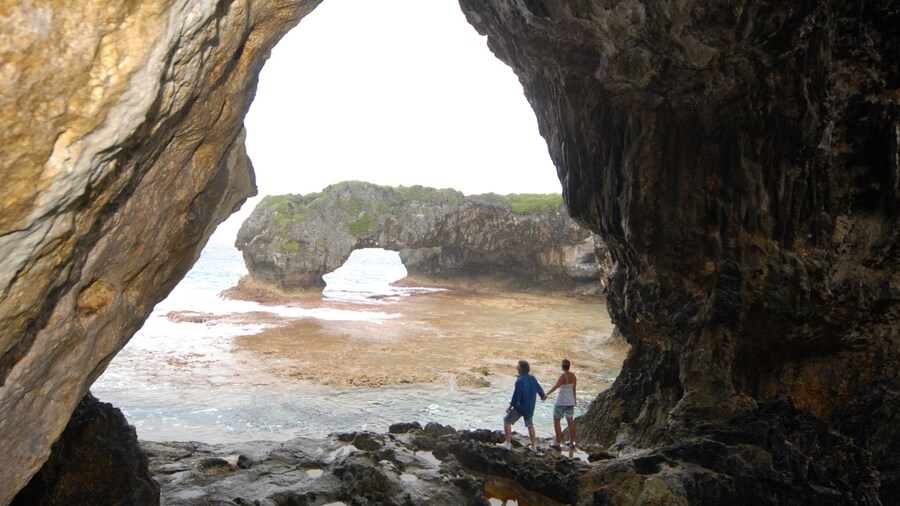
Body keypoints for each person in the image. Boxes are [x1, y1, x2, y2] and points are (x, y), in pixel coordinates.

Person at [499, 360, 546, 451]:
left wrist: (510, 406)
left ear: (520, 369)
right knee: (530, 425)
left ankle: (508, 443)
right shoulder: (532, 378)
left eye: (518, 367)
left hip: (520, 407)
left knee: (507, 421)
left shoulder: (519, 381)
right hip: (530, 407)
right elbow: (539, 389)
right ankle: (533, 446)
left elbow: (516, 396)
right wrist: (543, 396)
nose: (517, 368)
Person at [544, 358, 577, 449]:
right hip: (570, 402)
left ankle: (558, 443)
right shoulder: (573, 376)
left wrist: (547, 394)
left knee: (557, 421)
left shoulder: (563, 376)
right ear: (569, 366)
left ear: (562, 367)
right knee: (570, 421)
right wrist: (574, 400)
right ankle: (572, 441)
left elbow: (556, 386)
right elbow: (574, 389)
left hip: (561, 401)